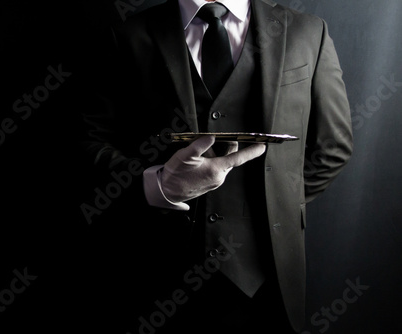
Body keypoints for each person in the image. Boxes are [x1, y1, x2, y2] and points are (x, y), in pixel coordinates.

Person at [78, 0, 353, 332]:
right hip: (156, 268)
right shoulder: (128, 35)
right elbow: (87, 142)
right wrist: (160, 186)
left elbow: (333, 146)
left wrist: (274, 204)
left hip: (269, 276)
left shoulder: (308, 31)